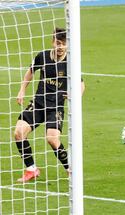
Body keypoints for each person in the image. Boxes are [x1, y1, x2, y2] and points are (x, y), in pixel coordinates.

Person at [14, 27, 85, 182]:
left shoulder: (70, 62)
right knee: (19, 132)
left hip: (55, 107)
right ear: (53, 42)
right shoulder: (43, 56)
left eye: (63, 44)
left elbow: (81, 85)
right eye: (58, 43)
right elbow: (30, 71)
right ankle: (31, 169)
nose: (60, 47)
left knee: (52, 139)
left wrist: (75, 97)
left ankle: (70, 169)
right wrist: (21, 90)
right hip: (38, 103)